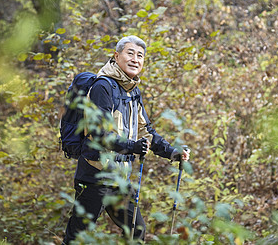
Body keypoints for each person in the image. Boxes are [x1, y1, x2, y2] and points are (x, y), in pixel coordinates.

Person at [63, 35, 190, 244]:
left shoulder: (132, 91)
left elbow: (145, 131)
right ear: (116, 56)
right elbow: (99, 135)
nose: (135, 59)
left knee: (135, 230)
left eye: (140, 55)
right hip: (95, 174)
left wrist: (172, 152)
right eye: (130, 53)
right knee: (78, 237)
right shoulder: (103, 87)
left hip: (119, 178)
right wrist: (132, 146)